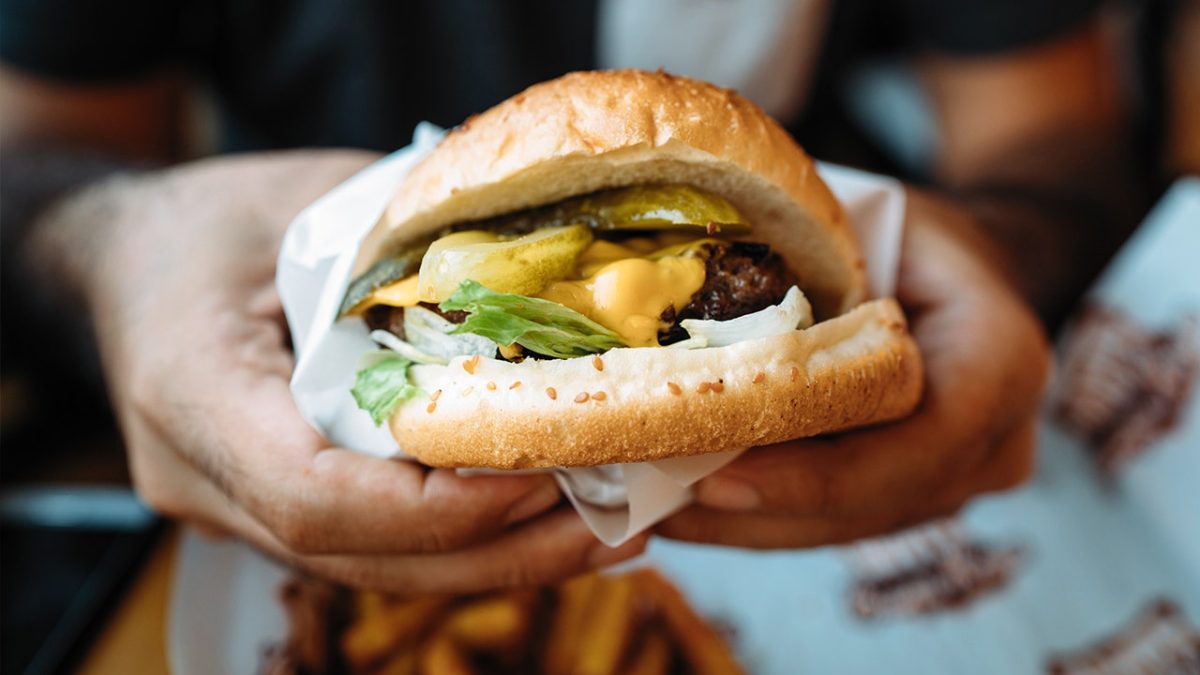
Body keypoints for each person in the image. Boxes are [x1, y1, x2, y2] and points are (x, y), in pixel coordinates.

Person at [0, 0, 1141, 592]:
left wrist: (990, 257)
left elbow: (1049, 128)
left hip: (848, 471)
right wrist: (116, 254)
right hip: (259, 419)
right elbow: (42, 147)